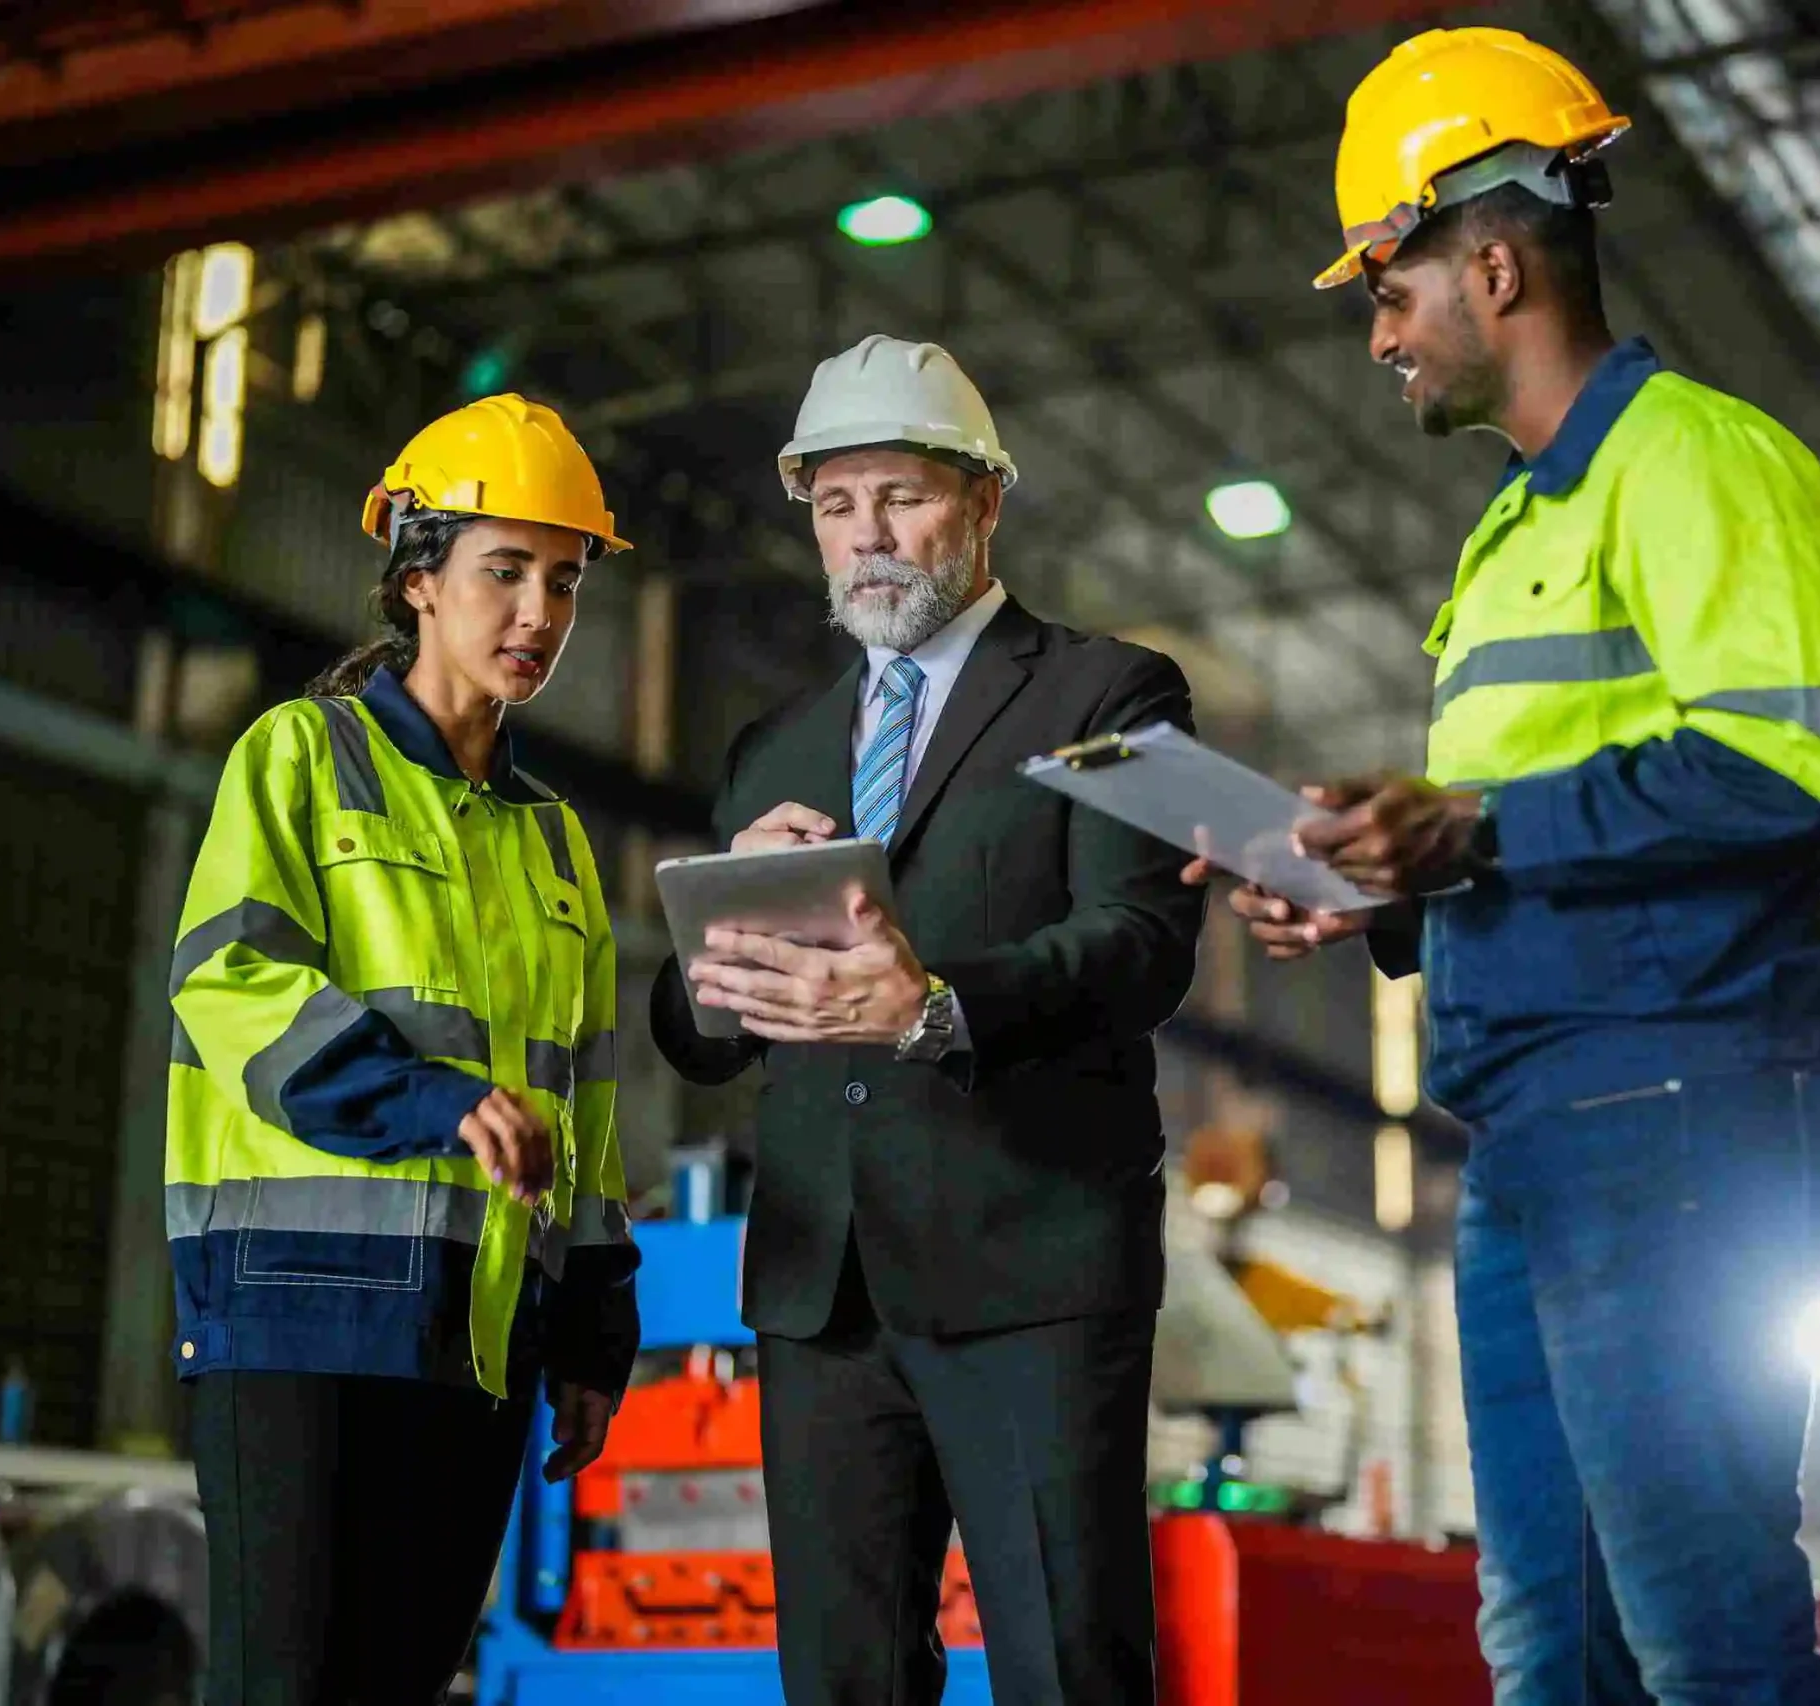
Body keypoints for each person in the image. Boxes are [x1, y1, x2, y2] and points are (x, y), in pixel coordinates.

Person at [1190, 27, 1820, 1706]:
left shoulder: (1698, 461)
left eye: (1386, 285)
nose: (1376, 334)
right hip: (1538, 1133)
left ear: (1491, 263)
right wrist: (1381, 889)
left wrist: (1472, 827)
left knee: (1700, 1619)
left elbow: (1786, 775)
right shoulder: (1511, 537)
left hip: (1685, 1114)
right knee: (1549, 1643)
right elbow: (1538, 846)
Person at [649, 334, 1205, 1706]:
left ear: (985, 499)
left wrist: (943, 1006)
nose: (866, 536)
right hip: (822, 1285)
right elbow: (698, 1024)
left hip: (1030, 1269)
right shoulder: (772, 748)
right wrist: (712, 960)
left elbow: (1141, 943)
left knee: (1066, 1667)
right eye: (837, 506)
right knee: (840, 1681)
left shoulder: (1112, 695)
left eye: (900, 496)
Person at [166, 394, 641, 1704]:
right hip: (293, 1319)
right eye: (504, 571)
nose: (538, 612)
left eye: (565, 580)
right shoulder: (298, 760)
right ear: (419, 577)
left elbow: (585, 1113)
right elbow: (227, 980)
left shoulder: (556, 847)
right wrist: (429, 1098)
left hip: (471, 1341)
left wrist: (595, 1328)